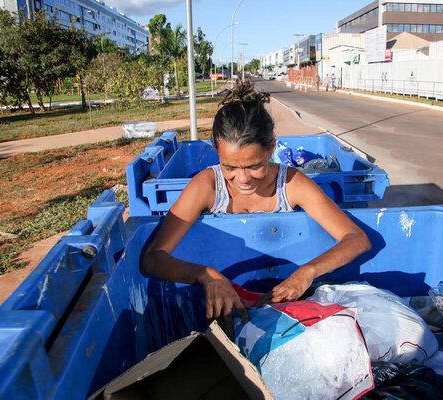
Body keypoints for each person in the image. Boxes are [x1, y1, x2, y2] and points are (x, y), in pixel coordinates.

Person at [141, 77, 371, 336]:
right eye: (229, 167)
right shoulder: (206, 185)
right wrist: (206, 276)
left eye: (254, 166)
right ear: (217, 151)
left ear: (271, 148)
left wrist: (306, 272)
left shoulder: (292, 183)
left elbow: (356, 239)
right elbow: (152, 259)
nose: (242, 179)